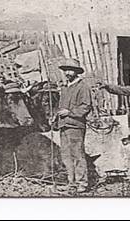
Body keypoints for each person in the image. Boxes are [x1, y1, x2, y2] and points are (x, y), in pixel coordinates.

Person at [56, 57, 93, 191]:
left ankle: (82, 183)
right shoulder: (65, 87)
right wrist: (55, 117)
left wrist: (69, 112)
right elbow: (61, 107)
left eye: (70, 70)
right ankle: (71, 182)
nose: (67, 73)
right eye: (66, 70)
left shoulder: (83, 87)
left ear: (77, 72)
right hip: (64, 125)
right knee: (66, 155)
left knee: (78, 155)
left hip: (75, 125)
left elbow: (86, 106)